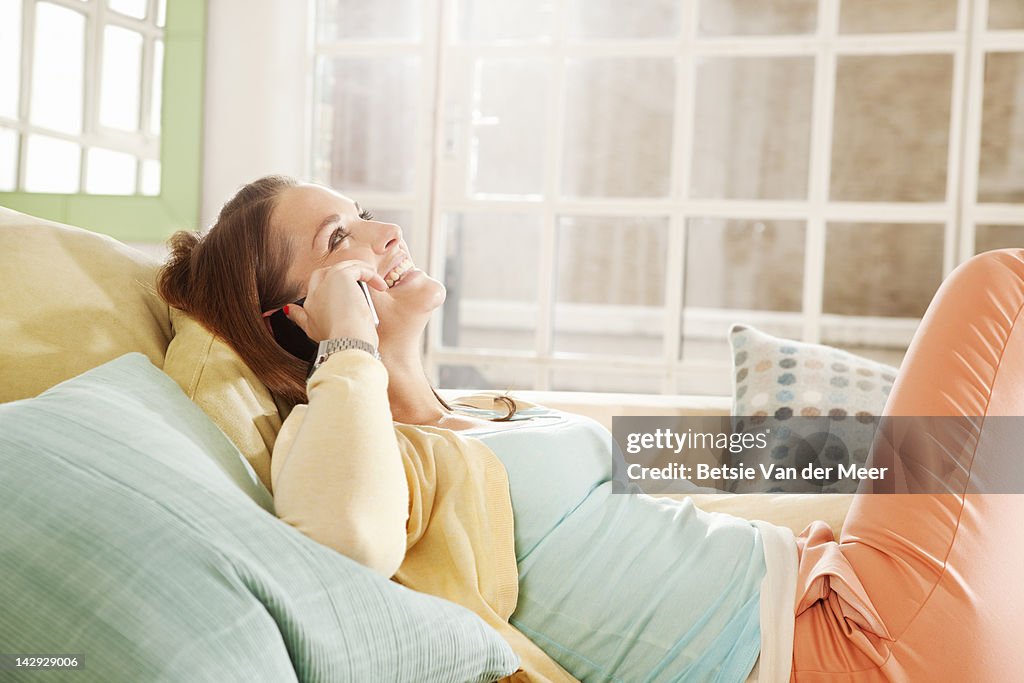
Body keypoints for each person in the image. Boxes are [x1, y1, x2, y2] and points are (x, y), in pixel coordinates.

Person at [158, 175, 1024, 682]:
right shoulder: (371, 452)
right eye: (341, 237)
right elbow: (346, 537)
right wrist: (346, 342)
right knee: (999, 284)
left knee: (1010, 455)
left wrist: (897, 452)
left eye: (366, 210)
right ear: (295, 311)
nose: (388, 233)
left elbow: (681, 465)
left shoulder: (482, 411)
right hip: (846, 649)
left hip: (834, 584)